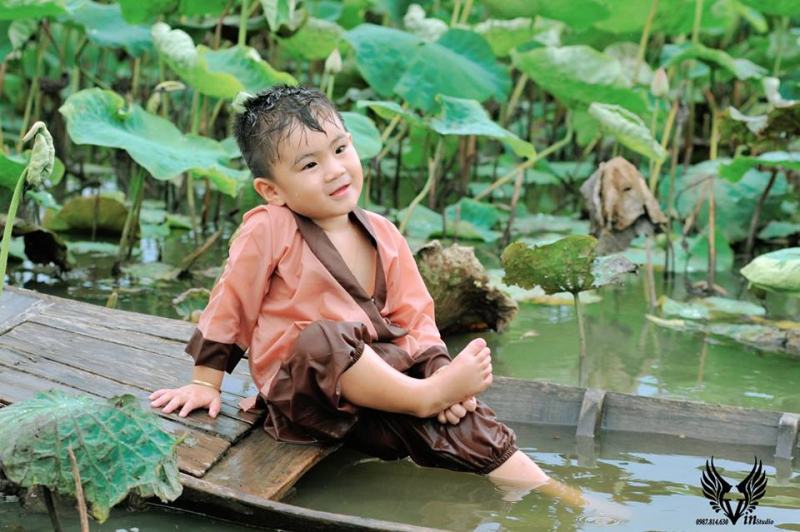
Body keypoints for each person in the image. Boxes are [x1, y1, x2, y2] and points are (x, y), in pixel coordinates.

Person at [149, 85, 587, 508]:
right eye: (309, 164)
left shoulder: (384, 232)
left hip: (378, 389)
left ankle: (559, 494)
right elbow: (232, 303)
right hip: (305, 392)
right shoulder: (269, 228)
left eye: (340, 149)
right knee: (324, 339)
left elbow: (415, 318)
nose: (335, 169)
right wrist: (205, 383)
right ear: (272, 190)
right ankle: (424, 396)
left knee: (458, 418)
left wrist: (438, 371)